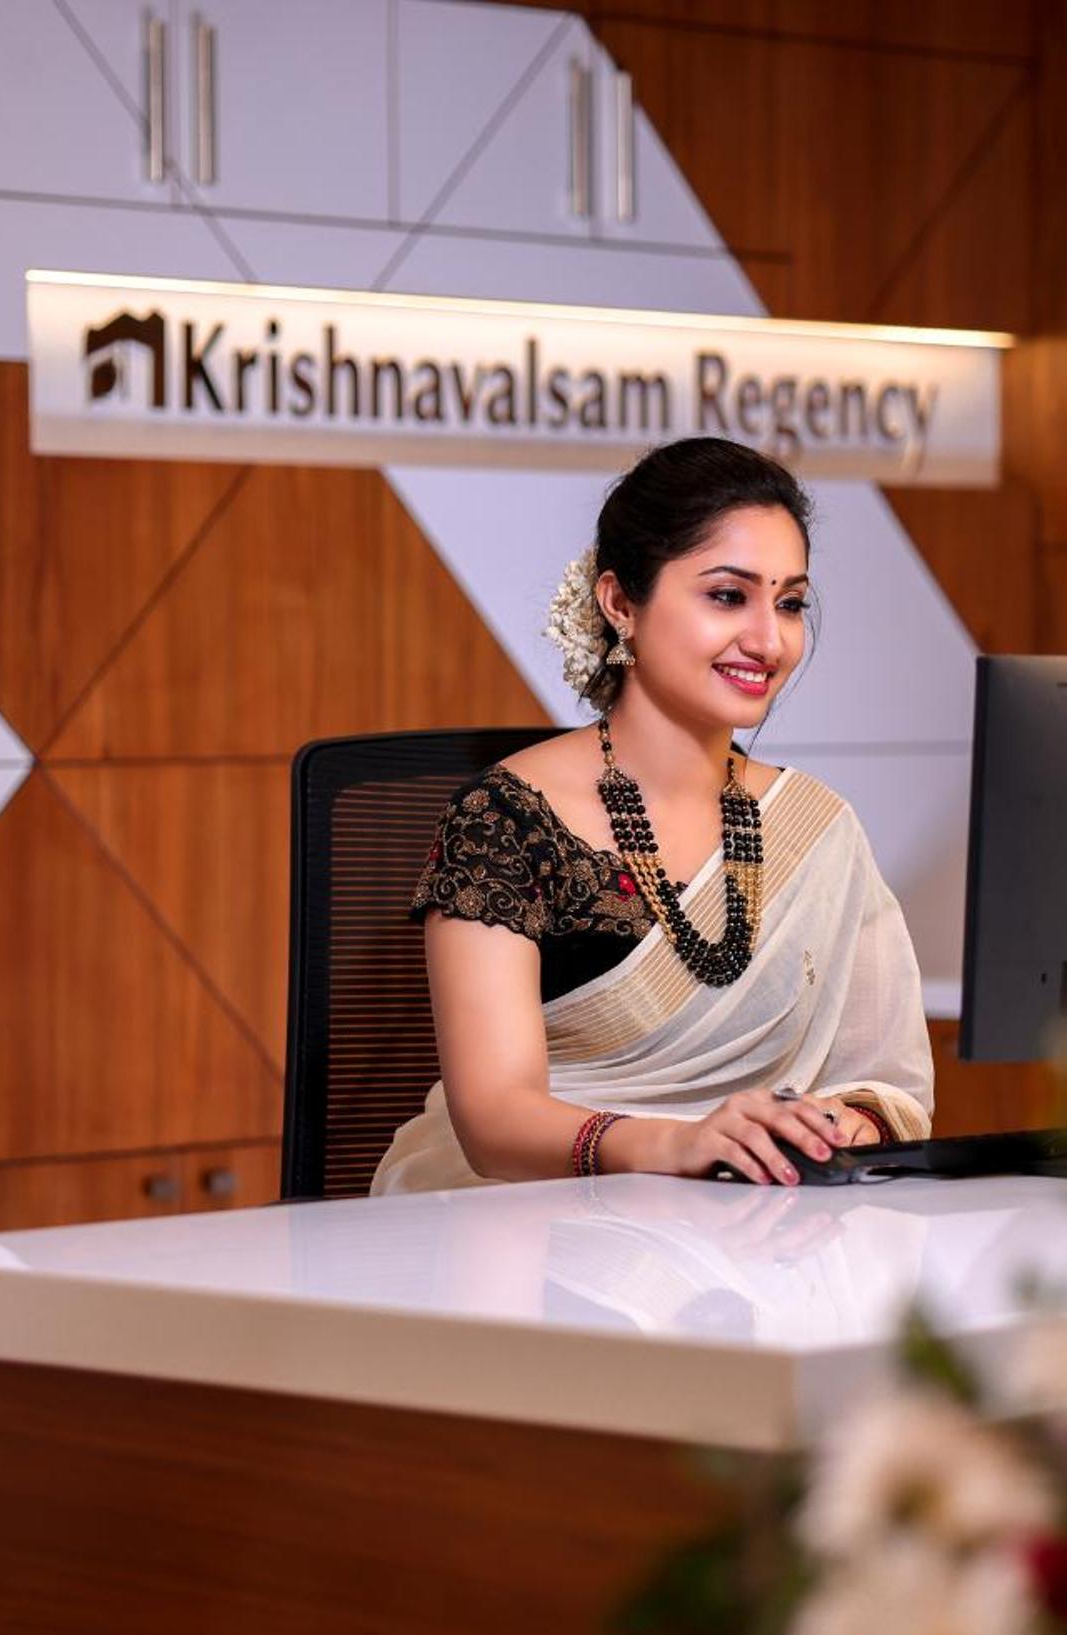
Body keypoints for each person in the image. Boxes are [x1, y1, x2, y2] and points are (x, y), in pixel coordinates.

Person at [370, 437, 936, 1194]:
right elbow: (494, 1120)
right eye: (728, 596)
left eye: (791, 603)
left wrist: (833, 1126)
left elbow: (881, 1082)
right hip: (529, 1222)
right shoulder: (507, 821)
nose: (769, 640)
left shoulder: (813, 826)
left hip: (749, 1211)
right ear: (620, 603)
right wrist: (678, 1142)